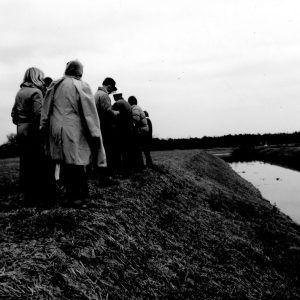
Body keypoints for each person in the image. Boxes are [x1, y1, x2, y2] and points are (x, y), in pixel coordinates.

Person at [40, 60, 105, 207]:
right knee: (77, 162)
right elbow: (89, 112)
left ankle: (71, 196)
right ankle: (80, 197)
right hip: (74, 128)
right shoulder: (81, 85)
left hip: (55, 128)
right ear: (79, 71)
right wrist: (94, 131)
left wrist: (43, 126)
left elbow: (46, 108)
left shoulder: (55, 84)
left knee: (64, 162)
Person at [11, 67, 45, 205]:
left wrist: (20, 123)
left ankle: (24, 195)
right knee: (36, 163)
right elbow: (39, 114)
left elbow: (13, 114)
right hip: (33, 131)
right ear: (37, 77)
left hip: (21, 130)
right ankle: (36, 195)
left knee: (25, 163)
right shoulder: (36, 92)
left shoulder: (20, 92)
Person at [94, 77, 119, 182]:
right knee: (108, 151)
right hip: (105, 127)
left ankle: (99, 174)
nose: (111, 92)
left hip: (97, 126)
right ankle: (107, 176)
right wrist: (116, 113)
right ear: (109, 85)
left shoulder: (96, 94)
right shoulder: (104, 95)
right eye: (112, 89)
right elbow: (108, 112)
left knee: (99, 151)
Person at [112, 93, 134, 175]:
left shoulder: (118, 103)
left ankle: (123, 171)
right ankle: (128, 170)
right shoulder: (127, 103)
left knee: (120, 151)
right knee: (127, 151)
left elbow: (111, 113)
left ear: (115, 97)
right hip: (128, 130)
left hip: (121, 130)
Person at [128, 96, 149, 170]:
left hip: (140, 130)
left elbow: (135, 119)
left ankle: (140, 166)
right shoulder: (137, 107)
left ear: (129, 102)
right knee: (139, 148)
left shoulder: (135, 108)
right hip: (143, 130)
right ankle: (141, 165)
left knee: (137, 148)